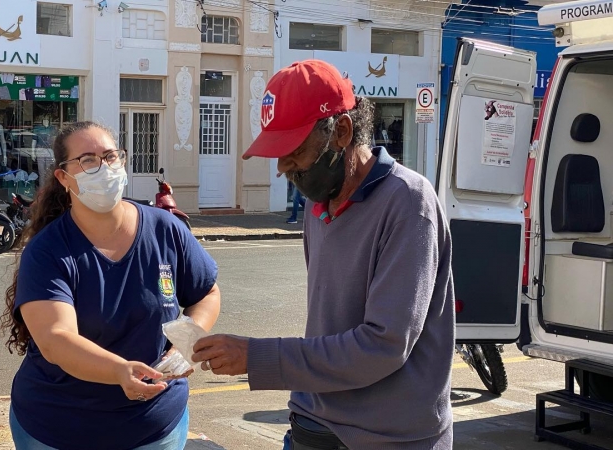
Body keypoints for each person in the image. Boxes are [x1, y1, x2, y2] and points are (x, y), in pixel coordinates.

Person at [191, 60, 455, 449]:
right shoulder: (320, 206)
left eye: (294, 152)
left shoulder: (408, 203)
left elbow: (384, 345)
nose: (283, 168)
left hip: (387, 438)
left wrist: (257, 356)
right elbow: (329, 327)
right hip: (311, 423)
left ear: (342, 132)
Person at [0, 121, 221, 450]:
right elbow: (56, 340)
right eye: (87, 160)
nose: (103, 168)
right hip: (59, 431)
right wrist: (119, 371)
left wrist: (186, 344)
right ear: (63, 177)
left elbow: (206, 293)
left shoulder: (166, 229)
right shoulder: (48, 251)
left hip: (157, 430)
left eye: (110, 156)